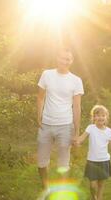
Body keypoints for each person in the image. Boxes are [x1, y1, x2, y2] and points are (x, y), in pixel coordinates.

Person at [37, 48, 84, 189]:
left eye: (68, 59)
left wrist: (76, 132)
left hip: (65, 125)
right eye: (63, 58)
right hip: (46, 124)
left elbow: (77, 107)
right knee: (41, 162)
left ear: (72, 61)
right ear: (57, 58)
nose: (65, 61)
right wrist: (38, 117)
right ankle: (46, 187)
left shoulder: (76, 80)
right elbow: (40, 98)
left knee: (63, 163)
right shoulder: (47, 74)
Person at [77, 105, 111, 200]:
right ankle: (94, 197)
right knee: (93, 185)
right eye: (97, 115)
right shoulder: (90, 128)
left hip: (104, 161)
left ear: (106, 117)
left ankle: (100, 198)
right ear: (93, 117)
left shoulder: (109, 131)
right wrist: (76, 141)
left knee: (101, 184)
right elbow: (81, 139)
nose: (100, 117)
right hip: (92, 161)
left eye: (103, 115)